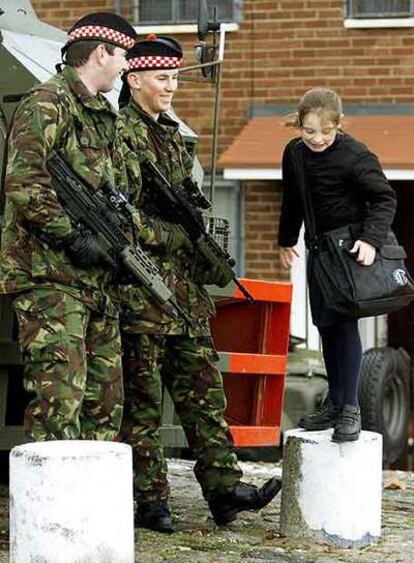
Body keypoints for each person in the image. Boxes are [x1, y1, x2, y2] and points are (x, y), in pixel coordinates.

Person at [118, 35, 281, 533]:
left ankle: (224, 489)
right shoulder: (120, 134)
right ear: (134, 79)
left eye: (174, 78)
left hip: (183, 293)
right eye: (162, 78)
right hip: (141, 289)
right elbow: (124, 216)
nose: (171, 87)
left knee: (203, 392)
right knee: (142, 402)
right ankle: (151, 500)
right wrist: (172, 234)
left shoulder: (169, 133)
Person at [0, 13, 137, 442]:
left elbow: (115, 190)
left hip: (95, 281)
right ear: (101, 52)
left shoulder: (102, 114)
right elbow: (25, 182)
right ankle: (50, 510)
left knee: (105, 403)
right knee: (59, 401)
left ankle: (90, 507)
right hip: (49, 277)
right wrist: (73, 237)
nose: (125, 67)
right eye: (123, 57)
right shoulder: (48, 102)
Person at [278, 87, 397, 442]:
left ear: (339, 125)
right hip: (319, 250)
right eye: (309, 131)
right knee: (326, 326)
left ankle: (350, 409)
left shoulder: (355, 155)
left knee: (344, 326)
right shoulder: (294, 154)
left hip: (350, 249)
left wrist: (371, 241)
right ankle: (334, 402)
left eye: (325, 132)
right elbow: (292, 199)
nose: (317, 139)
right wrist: (286, 240)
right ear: (298, 124)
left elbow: (383, 199)